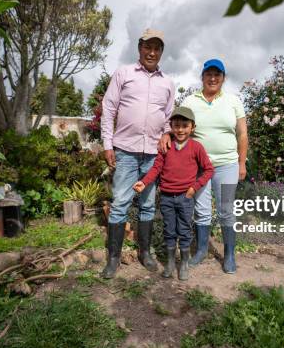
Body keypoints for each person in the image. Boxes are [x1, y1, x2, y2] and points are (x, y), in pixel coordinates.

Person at [160, 58, 248, 274]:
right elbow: (178, 124)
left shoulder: (233, 101)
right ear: (202, 77)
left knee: (226, 210)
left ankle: (229, 255)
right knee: (201, 210)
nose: (212, 78)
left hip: (227, 164)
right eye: (208, 74)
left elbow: (242, 133)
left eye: (217, 74)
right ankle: (200, 251)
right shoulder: (191, 100)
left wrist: (241, 162)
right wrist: (166, 133)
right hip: (198, 166)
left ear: (223, 78)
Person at [100, 28, 175, 279]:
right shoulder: (124, 74)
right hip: (125, 151)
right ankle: (113, 258)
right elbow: (109, 109)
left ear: (161, 52)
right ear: (140, 48)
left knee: (147, 205)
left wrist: (166, 133)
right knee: (120, 203)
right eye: (147, 47)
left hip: (154, 154)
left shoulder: (167, 82)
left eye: (157, 48)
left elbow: (168, 117)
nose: (152, 52)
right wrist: (107, 144)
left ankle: (145, 253)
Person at [133, 107, 214, 280]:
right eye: (176, 125)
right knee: (169, 230)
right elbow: (156, 168)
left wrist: (194, 188)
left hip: (186, 197)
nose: (180, 129)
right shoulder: (166, 147)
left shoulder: (196, 147)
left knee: (184, 230)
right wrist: (144, 182)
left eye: (185, 125)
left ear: (192, 127)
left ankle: (183, 263)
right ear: (171, 126)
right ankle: (170, 262)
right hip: (167, 198)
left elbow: (208, 170)